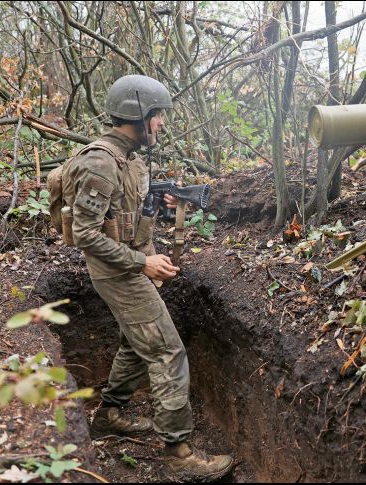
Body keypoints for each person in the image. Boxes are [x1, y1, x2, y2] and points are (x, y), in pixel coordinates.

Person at [60, 75, 233, 482]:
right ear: (139, 115)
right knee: (167, 352)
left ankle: (110, 415)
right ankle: (179, 453)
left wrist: (160, 211)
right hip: (118, 273)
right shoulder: (101, 162)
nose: (161, 125)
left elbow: (125, 219)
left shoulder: (129, 160)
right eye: (157, 117)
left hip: (129, 265)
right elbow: (85, 235)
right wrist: (143, 265)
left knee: (137, 345)